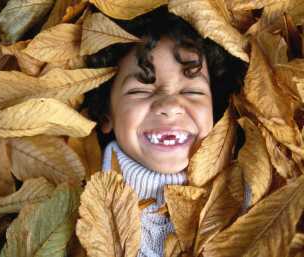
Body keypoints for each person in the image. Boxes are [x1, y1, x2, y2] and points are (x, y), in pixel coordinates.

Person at [81, 6, 247, 257]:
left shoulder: (247, 198)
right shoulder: (75, 204)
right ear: (106, 113)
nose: (170, 106)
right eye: (141, 90)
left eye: (193, 91)